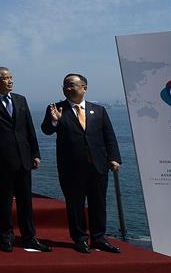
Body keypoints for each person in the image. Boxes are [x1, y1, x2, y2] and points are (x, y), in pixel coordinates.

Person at [41, 73, 122, 254]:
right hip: (72, 168)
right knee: (75, 205)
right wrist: (55, 120)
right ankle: (80, 239)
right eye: (65, 86)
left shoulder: (98, 110)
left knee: (98, 204)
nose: (67, 88)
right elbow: (46, 130)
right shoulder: (56, 108)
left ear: (84, 88)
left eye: (72, 85)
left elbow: (109, 136)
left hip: (98, 166)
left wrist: (114, 157)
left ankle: (99, 238)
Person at [0, 66, 51, 253]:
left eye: (11, 77)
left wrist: (35, 154)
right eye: (5, 78)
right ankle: (5, 236)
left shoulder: (20, 99)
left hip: (23, 158)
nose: (10, 81)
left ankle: (29, 237)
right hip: (1, 160)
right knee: (4, 201)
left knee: (25, 201)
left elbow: (29, 128)